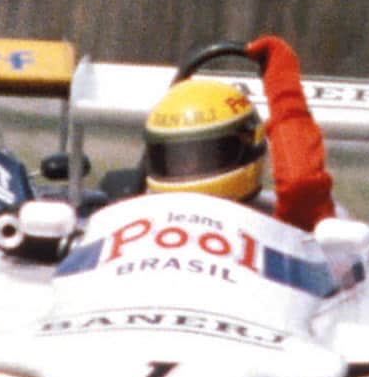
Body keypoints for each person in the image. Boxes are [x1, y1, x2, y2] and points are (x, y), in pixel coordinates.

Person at [142, 34, 334, 231]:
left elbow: (300, 184)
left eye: (203, 156)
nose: (187, 170)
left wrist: (284, 88)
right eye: (175, 159)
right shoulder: (135, 216)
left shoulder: (282, 228)